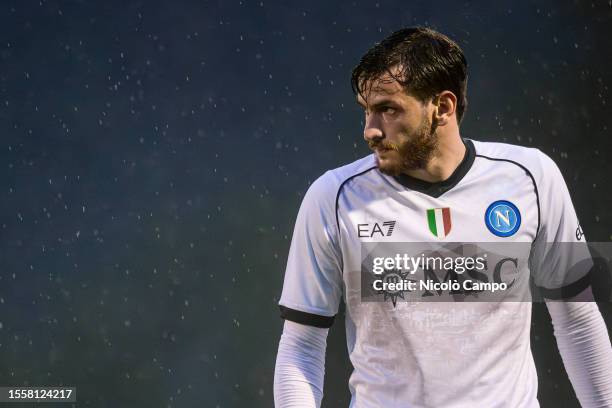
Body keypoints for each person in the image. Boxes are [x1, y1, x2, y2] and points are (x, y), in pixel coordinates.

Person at [273, 27, 612, 407]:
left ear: (443, 107)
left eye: (388, 108)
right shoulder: (333, 197)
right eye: (366, 109)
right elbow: (301, 347)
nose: (369, 129)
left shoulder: (531, 177)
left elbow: (577, 321)